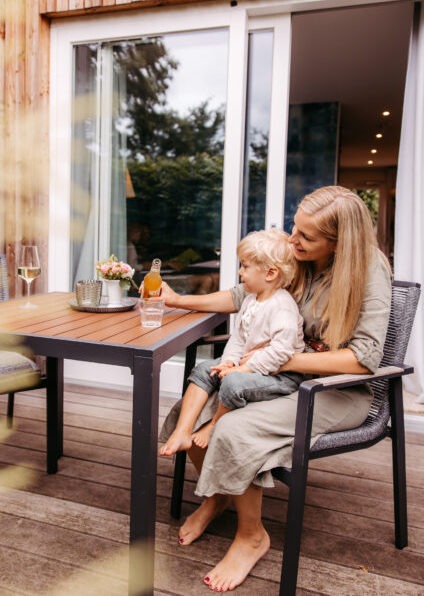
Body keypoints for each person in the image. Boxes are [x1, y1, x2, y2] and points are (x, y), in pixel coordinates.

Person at [158, 186, 392, 592]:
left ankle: (252, 537)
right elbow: (241, 295)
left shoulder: (368, 271)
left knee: (234, 429)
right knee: (188, 412)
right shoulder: (302, 258)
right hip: (279, 374)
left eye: (306, 236)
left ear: (338, 243)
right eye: (293, 228)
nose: (291, 240)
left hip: (337, 390)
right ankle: (220, 496)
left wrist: (274, 360)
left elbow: (363, 358)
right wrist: (180, 301)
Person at [159, 229, 304, 455]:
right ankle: (182, 431)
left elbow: (282, 352)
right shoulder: (250, 300)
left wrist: (245, 368)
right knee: (203, 370)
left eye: (245, 267)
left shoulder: (282, 306)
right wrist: (228, 362)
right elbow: (238, 339)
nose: (240, 272)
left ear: (270, 273)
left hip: (280, 376)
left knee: (233, 382)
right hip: (253, 368)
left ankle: (214, 424)